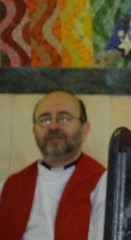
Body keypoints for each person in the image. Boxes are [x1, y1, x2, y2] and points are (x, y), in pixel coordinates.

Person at [0, 89, 107, 240]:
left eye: (64, 119)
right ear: (34, 131)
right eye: (45, 120)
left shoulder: (104, 184)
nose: (53, 127)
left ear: (84, 130)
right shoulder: (8, 188)